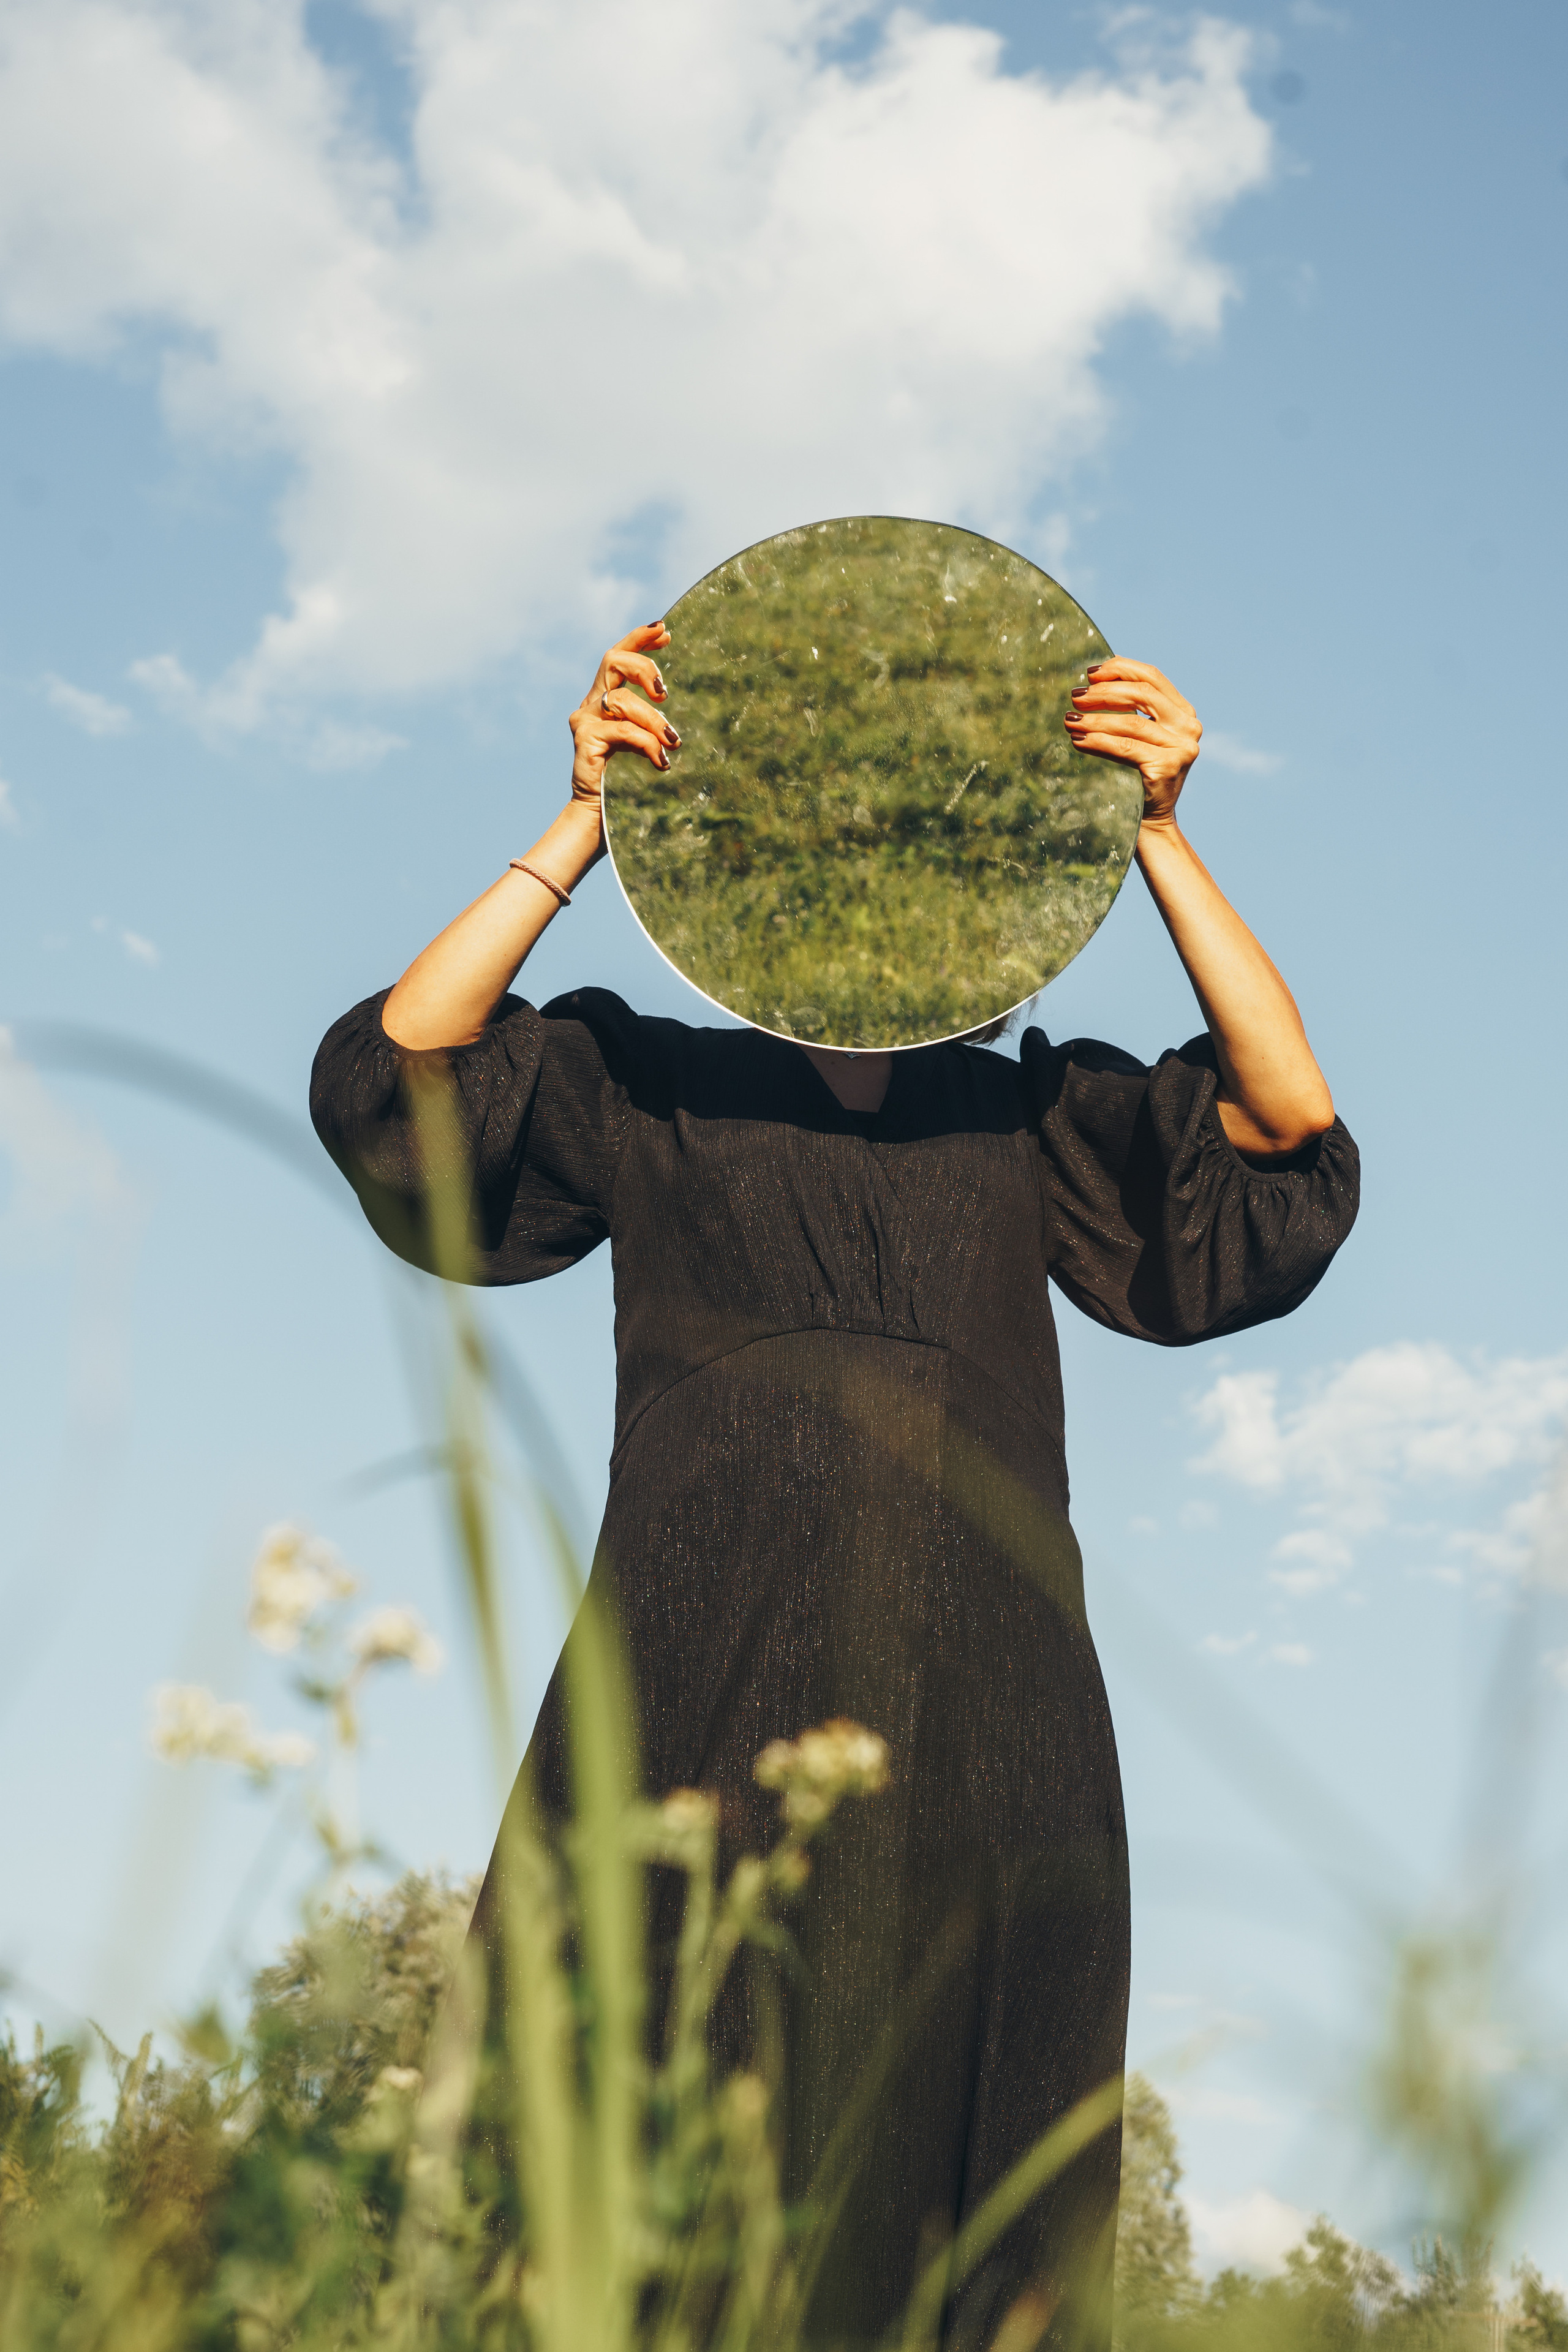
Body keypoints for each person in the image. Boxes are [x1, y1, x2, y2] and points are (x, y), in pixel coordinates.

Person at [310, 628, 1359, 2350]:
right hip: (695, 1655)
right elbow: (401, 1079)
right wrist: (582, 822)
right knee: (635, 2076)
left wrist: (1156, 831)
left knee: (959, 2142)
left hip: (985, 1698)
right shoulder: (639, 1076)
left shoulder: (1028, 1117)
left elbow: (1285, 1131)